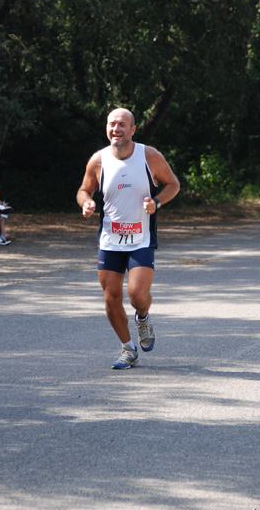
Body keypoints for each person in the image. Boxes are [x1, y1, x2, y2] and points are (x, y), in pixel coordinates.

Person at [76, 108, 180, 369]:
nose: (116, 129)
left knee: (136, 295)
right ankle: (127, 348)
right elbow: (83, 189)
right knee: (111, 298)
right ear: (106, 128)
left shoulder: (149, 156)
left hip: (141, 237)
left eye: (122, 124)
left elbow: (173, 184)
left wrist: (156, 202)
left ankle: (143, 318)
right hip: (110, 239)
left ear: (133, 129)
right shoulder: (98, 160)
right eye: (112, 124)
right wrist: (87, 202)